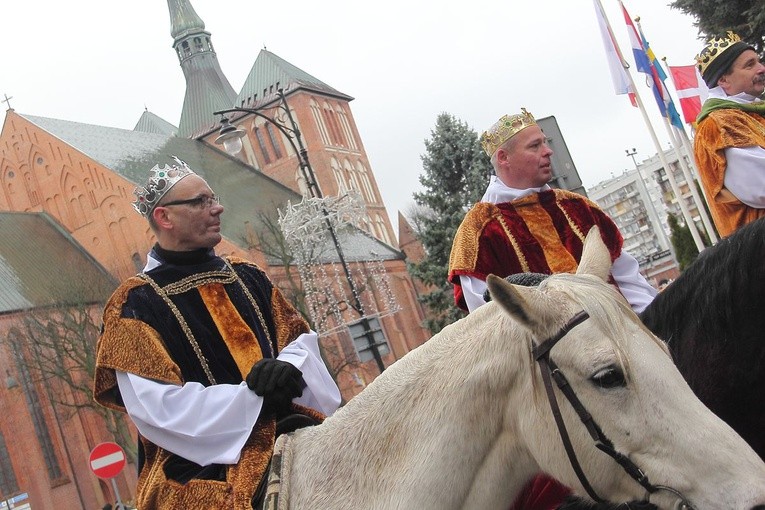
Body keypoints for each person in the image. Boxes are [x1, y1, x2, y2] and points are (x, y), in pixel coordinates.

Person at [94, 157, 341, 510]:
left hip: (288, 422)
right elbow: (158, 406)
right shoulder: (134, 304)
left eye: (213, 198)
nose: (218, 208)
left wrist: (286, 368)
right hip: (197, 464)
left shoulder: (249, 275)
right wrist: (250, 397)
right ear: (164, 217)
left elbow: (297, 339)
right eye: (201, 202)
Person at [448, 109, 657, 510]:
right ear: (504, 159)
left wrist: (656, 330)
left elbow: (630, 280)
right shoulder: (478, 232)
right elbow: (491, 323)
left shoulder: (577, 208)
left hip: (630, 360)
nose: (548, 150)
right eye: (535, 145)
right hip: (557, 388)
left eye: (546, 141)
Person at [693, 31, 765, 237]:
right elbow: (760, 186)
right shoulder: (720, 124)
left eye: (758, 61)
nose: (762, 68)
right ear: (724, 80)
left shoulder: (751, 112)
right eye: (750, 65)